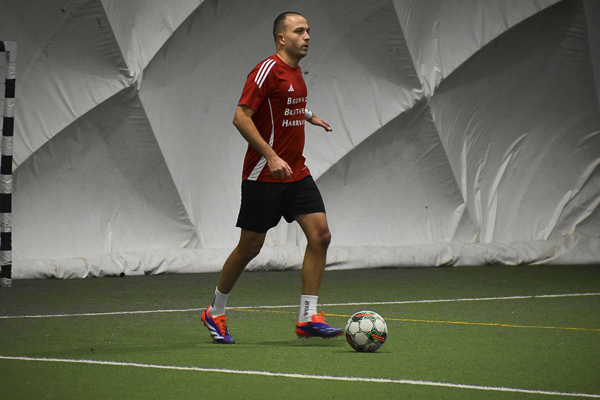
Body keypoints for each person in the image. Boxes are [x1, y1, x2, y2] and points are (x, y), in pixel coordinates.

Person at [201, 11, 343, 344]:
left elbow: (285, 101)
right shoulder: (266, 70)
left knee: (320, 236)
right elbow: (241, 116)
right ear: (281, 38)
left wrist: (309, 115)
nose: (307, 36)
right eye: (299, 31)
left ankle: (308, 317)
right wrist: (271, 156)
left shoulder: (296, 73)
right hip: (263, 175)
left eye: (308, 31)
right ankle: (215, 311)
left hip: (296, 172)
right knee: (250, 248)